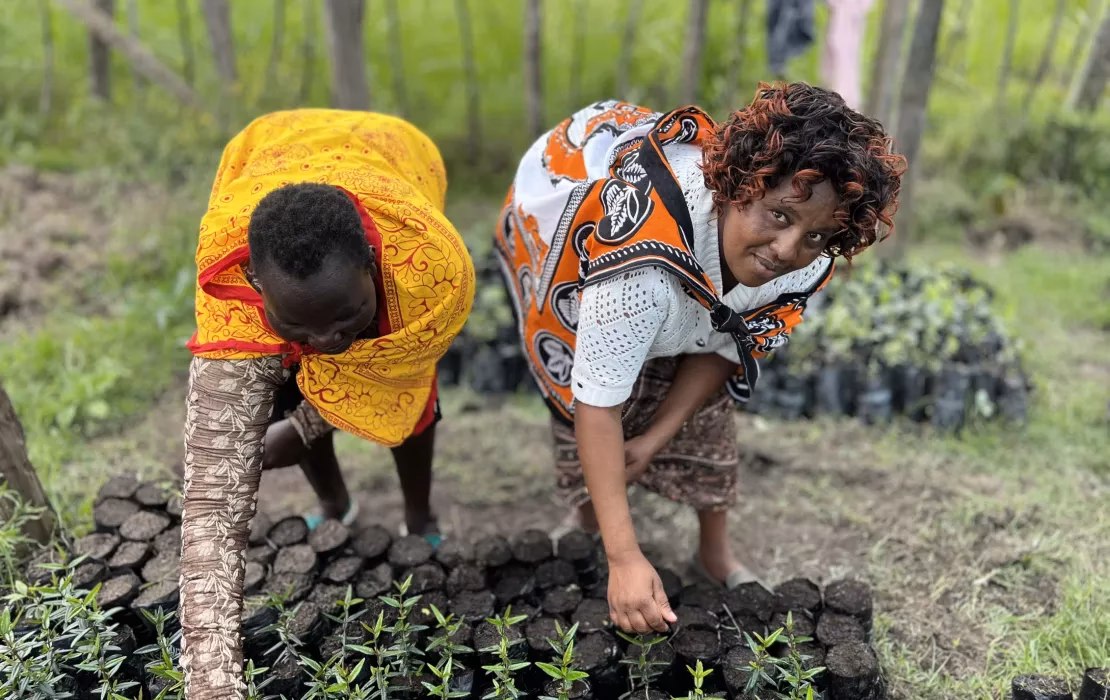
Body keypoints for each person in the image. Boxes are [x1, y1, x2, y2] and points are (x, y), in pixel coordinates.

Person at [495, 82, 904, 635]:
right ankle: (593, 526)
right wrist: (626, 558)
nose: (788, 251)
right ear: (738, 187)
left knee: (704, 408)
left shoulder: (805, 262)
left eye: (816, 236)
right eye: (780, 216)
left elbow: (727, 343)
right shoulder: (637, 268)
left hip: (673, 285)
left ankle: (713, 554)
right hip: (565, 219)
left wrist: (654, 438)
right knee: (595, 395)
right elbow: (596, 401)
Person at [179, 109, 474, 699]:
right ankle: (334, 502)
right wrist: (211, 679)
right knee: (287, 380)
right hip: (266, 148)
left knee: (412, 408)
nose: (329, 340)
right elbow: (212, 492)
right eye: (298, 324)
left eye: (346, 316)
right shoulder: (226, 280)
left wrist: (304, 427)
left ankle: (419, 516)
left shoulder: (432, 270)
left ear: (370, 262)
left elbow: (398, 376)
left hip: (392, 149)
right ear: (257, 288)